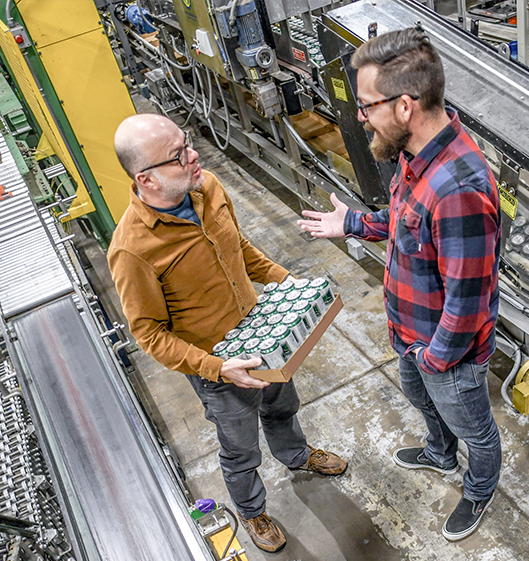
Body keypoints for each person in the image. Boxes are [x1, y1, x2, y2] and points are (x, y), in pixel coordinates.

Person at [297, 27, 502, 541]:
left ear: (405, 105)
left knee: (475, 430)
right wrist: (355, 224)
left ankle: (478, 489)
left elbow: (469, 300)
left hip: (444, 350)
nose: (360, 115)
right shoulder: (416, 156)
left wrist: (437, 358)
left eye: (367, 105)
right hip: (409, 333)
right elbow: (406, 221)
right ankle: (438, 454)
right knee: (423, 403)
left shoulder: (458, 186)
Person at [108, 113, 347, 553]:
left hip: (263, 336)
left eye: (188, 142)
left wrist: (284, 282)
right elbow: (149, 334)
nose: (193, 154)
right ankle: (252, 509)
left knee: (282, 408)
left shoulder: (209, 187)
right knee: (239, 448)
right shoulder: (131, 249)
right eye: (178, 155)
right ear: (147, 179)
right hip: (218, 369)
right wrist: (217, 368)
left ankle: (296, 456)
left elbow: (239, 249)